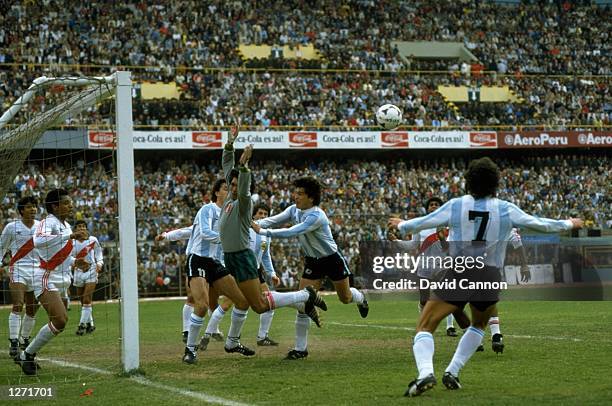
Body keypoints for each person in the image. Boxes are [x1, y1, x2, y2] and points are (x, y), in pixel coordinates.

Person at [388, 157, 583, 396]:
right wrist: (569, 222)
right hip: (490, 274)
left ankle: (426, 372)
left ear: (468, 181)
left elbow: (425, 222)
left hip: (460, 270)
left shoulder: (457, 205)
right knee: (479, 324)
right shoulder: (505, 209)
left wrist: (402, 225)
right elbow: (539, 224)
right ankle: (453, 371)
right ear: (495, 183)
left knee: (425, 325)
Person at [219, 124, 326, 357]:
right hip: (229, 257)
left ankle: (304, 296)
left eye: (237, 184)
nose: (233, 186)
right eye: (232, 183)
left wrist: (244, 166)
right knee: (241, 301)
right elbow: (228, 167)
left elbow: (243, 184)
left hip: (241, 258)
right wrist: (230, 144)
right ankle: (231, 341)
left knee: (258, 305)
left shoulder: (244, 202)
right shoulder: (229, 195)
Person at [252, 176, 369, 360]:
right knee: (303, 303)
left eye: (300, 194)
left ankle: (361, 298)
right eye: (295, 192)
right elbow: (272, 220)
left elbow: (292, 232)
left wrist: (262, 231)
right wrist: (254, 223)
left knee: (345, 298)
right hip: (312, 262)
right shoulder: (294, 210)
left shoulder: (316, 216)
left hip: (332, 259)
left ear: (311, 198)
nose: (295, 197)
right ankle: (301, 349)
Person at [16, 189, 88, 375]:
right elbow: (39, 241)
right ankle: (26, 353)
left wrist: (76, 262)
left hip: (61, 278)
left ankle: (27, 353)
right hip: (45, 277)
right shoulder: (48, 222)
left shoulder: (65, 225)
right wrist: (71, 237)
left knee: (59, 322)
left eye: (70, 202)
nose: (70, 206)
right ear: (55, 206)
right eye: (66, 203)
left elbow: (61, 254)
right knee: (61, 320)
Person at [200, 202, 282, 349]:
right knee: (227, 303)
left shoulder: (265, 234)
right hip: (240, 269)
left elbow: (265, 256)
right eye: (259, 213)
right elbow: (227, 248)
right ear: (253, 214)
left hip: (255, 271)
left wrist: (272, 274)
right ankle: (207, 335)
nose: (262, 216)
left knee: (269, 302)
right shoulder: (243, 229)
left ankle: (263, 336)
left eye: (265, 214)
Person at [0, 196, 41, 358]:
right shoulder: (11, 227)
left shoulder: (41, 227)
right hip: (18, 269)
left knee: (32, 309)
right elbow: (2, 247)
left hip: (38, 271)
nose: (33, 210)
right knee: (18, 304)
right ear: (22, 210)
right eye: (30, 207)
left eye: (35, 207)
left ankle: (24, 339)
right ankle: (14, 341)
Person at [72, 220, 103, 336]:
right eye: (79, 226)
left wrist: (99, 264)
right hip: (78, 272)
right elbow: (68, 257)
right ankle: (90, 324)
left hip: (91, 270)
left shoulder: (92, 240)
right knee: (83, 301)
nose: (82, 228)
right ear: (75, 229)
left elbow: (99, 252)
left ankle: (81, 325)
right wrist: (75, 264)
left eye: (84, 226)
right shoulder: (71, 242)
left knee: (86, 298)